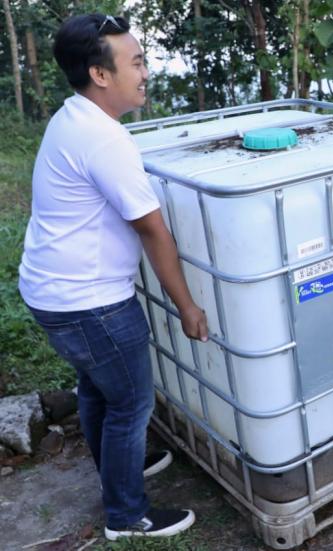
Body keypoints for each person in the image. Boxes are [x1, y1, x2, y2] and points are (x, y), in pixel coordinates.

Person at [18, 13, 208, 540]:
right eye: (137, 62)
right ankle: (127, 516)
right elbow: (153, 230)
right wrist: (187, 306)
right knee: (130, 402)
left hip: (53, 293)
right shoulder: (104, 140)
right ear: (101, 75)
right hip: (88, 302)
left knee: (99, 390)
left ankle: (115, 470)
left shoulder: (74, 118)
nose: (146, 72)